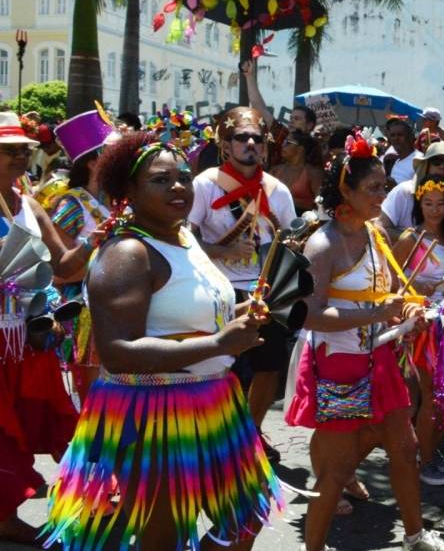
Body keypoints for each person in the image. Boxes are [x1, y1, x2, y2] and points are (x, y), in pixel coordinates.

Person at [42, 132, 284, 551]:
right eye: (160, 180)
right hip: (153, 411)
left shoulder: (184, 237)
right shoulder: (127, 253)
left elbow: (190, 314)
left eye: (184, 177)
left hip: (214, 402)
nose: (178, 187)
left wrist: (243, 314)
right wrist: (219, 344)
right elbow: (118, 353)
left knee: (248, 509)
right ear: (129, 191)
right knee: (165, 532)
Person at [285, 137, 444, 551]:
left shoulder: (376, 234)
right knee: (336, 470)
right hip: (337, 364)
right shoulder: (324, 244)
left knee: (406, 448)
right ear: (346, 190)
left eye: (384, 186)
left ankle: (415, 537)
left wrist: (406, 313)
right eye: (373, 188)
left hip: (379, 358)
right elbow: (308, 315)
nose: (383, 195)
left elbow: (387, 296)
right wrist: (379, 314)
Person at [0, 112, 98, 545]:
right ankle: (5, 516)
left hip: (28, 338)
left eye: (24, 150)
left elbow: (64, 267)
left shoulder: (29, 204)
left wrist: (96, 241)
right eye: (9, 151)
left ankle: (88, 497)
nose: (20, 157)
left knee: (33, 419)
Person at [188, 106, 298, 460]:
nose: (251, 144)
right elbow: (185, 238)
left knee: (269, 366)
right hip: (218, 289)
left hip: (266, 291)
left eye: (257, 138)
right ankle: (220, 434)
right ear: (225, 144)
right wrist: (224, 250)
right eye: (241, 138)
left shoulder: (277, 190)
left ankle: (250, 432)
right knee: (225, 366)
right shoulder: (205, 184)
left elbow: (291, 240)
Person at [394, 179, 444, 487]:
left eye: (440, 204)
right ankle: (424, 461)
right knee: (433, 396)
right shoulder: (410, 238)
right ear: (419, 205)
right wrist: (416, 288)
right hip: (425, 328)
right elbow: (391, 283)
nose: (434, 210)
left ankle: (429, 448)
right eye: (428, 203)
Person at [49, 109, 118, 403]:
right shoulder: (72, 206)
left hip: (125, 305)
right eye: (113, 154)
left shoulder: (125, 203)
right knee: (95, 399)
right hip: (87, 314)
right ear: (93, 162)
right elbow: (57, 271)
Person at [381, 141, 444, 238]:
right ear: (426, 166)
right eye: (436, 162)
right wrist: (415, 239)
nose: (442, 167)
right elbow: (381, 228)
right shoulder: (404, 191)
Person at [270, 129, 324, 214]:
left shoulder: (313, 173)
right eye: (283, 142)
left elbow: (320, 205)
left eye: (288, 142)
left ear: (300, 149)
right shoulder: (275, 170)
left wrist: (286, 200)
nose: (283, 145)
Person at [385, 117, 421, 186]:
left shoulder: (418, 160)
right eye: (392, 135)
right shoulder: (397, 161)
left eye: (400, 134)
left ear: (410, 137)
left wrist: (394, 187)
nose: (396, 138)